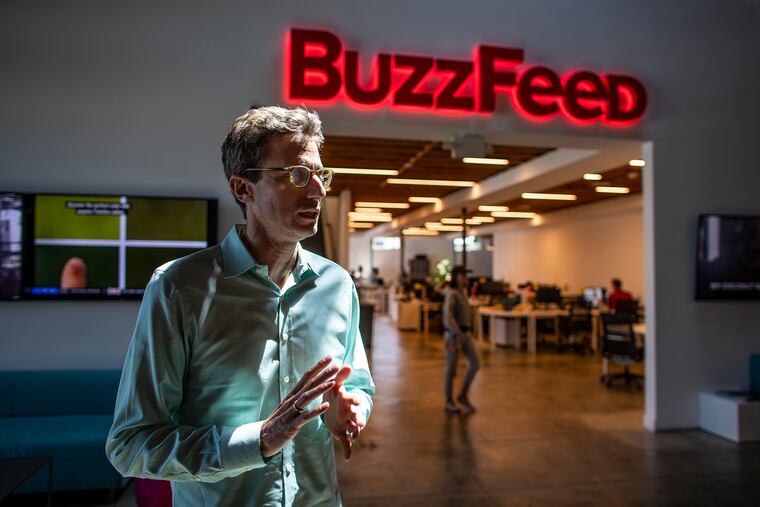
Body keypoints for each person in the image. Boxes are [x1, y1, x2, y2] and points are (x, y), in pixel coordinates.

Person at [106, 106, 375, 506]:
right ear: (243, 188)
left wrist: (351, 410)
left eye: (321, 175)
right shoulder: (179, 288)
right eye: (297, 175)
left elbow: (358, 386)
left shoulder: (336, 285)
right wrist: (259, 440)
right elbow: (131, 445)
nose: (318, 191)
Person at [442, 266, 480, 413]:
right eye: (463, 275)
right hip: (454, 336)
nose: (465, 278)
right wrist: (456, 334)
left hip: (465, 335)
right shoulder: (451, 293)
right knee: (451, 370)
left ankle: (463, 395)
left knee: (475, 364)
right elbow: (448, 316)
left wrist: (466, 333)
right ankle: (449, 401)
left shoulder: (462, 292)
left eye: (466, 275)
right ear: (456, 276)